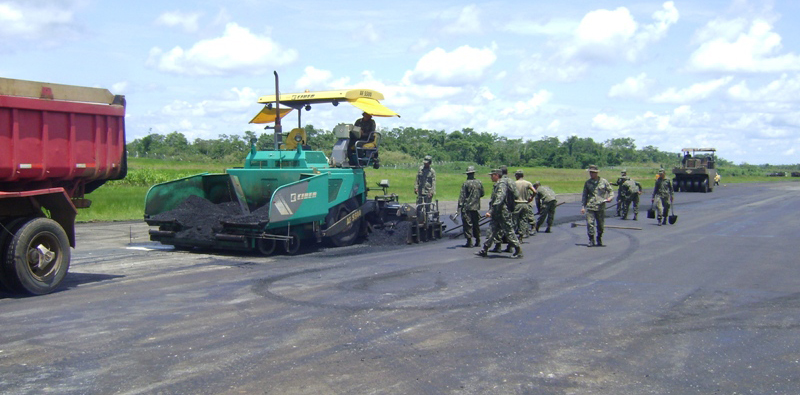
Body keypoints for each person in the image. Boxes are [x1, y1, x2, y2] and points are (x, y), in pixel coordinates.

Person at [476, 169, 522, 259]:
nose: (491, 177)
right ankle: (484, 249)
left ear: (496, 175)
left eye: (492, 175)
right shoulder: (498, 184)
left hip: (502, 212)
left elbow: (500, 199)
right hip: (497, 212)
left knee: (508, 231)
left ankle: (518, 249)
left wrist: (490, 211)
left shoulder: (501, 184)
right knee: (492, 231)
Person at [581, 165, 614, 247]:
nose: (591, 174)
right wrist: (583, 207)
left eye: (593, 172)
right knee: (590, 223)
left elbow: (611, 191)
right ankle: (591, 239)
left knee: (600, 225)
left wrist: (610, 198)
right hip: (590, 206)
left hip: (600, 206)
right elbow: (584, 195)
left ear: (596, 173)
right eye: (590, 172)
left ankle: (599, 237)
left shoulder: (604, 182)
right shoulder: (588, 183)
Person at [458, 166, 484, 248]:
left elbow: (462, 196)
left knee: (467, 224)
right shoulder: (479, 183)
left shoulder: (466, 184)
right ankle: (478, 240)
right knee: (476, 224)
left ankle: (469, 241)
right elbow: (482, 193)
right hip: (476, 207)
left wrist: (459, 207)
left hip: (467, 207)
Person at [513, 170, 536, 238]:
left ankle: (512, 235)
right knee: (523, 220)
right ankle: (521, 235)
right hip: (525, 203)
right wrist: (531, 198)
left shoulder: (514, 183)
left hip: (517, 203)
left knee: (514, 220)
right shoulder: (527, 183)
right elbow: (535, 191)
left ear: (517, 176)